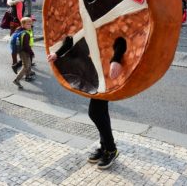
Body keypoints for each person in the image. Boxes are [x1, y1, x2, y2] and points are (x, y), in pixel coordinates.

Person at [47, 36, 127, 170]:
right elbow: (71, 38)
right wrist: (57, 53)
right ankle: (105, 147)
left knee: (95, 112)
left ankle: (111, 149)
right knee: (101, 112)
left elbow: (121, 39)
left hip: (107, 72)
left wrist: (116, 59)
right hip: (95, 71)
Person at [7, 0, 27, 73]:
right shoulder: (20, 2)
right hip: (17, 25)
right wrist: (23, 24)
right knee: (20, 44)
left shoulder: (14, 0)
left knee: (13, 44)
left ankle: (15, 62)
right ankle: (18, 64)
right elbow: (19, 14)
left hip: (12, 24)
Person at [13, 17, 35, 89]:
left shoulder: (22, 32)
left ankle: (27, 77)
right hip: (24, 52)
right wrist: (31, 53)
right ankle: (17, 80)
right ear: (23, 25)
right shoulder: (25, 34)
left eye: (30, 24)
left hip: (22, 51)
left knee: (28, 64)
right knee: (26, 66)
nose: (30, 26)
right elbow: (26, 46)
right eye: (28, 24)